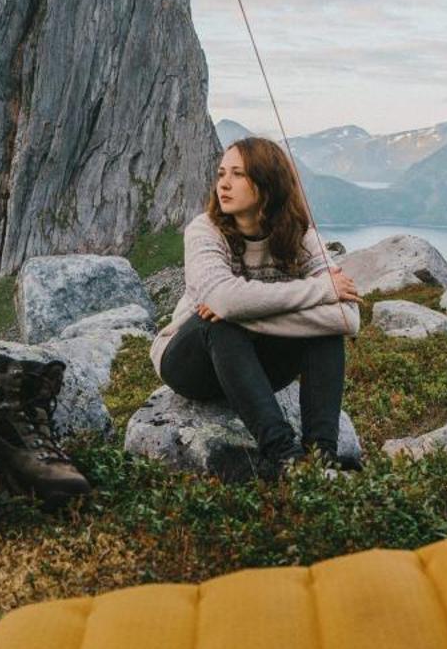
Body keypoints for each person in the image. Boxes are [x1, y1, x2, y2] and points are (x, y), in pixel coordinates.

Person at [152, 136, 362, 471]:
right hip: (189, 362)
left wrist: (242, 314)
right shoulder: (204, 230)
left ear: (267, 183)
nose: (224, 183)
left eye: (238, 174)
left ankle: (322, 455)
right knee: (216, 324)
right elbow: (222, 300)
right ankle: (283, 455)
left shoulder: (300, 235)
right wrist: (321, 290)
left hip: (257, 366)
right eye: (221, 173)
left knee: (324, 334)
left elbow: (347, 319)